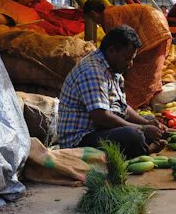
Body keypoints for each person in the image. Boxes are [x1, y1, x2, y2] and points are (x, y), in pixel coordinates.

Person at [58, 25, 168, 157]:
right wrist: (143, 129)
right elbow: (102, 118)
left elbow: (122, 107)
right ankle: (147, 150)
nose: (130, 64)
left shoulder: (112, 68)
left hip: (101, 130)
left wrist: (146, 123)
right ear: (111, 51)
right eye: (127, 58)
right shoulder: (92, 71)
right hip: (81, 139)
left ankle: (144, 143)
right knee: (134, 136)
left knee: (151, 122)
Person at [83, 0, 172, 108]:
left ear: (93, 13)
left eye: (92, 18)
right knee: (146, 68)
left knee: (140, 71)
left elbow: (118, 46)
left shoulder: (108, 17)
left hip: (152, 30)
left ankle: (139, 103)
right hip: (159, 24)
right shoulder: (111, 12)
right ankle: (142, 102)